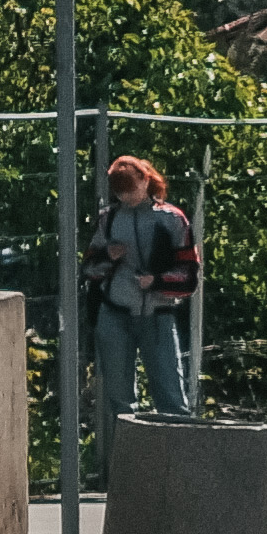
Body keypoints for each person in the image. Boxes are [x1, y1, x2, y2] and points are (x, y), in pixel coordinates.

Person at [87, 152, 199, 450]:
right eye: (120, 191)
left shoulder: (172, 218)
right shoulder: (108, 220)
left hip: (159, 314)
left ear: (146, 180)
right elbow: (89, 268)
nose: (128, 196)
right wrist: (107, 258)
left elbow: (190, 275)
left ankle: (179, 464)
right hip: (115, 313)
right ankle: (128, 471)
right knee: (120, 400)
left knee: (171, 397)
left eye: (132, 188)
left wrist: (158, 282)